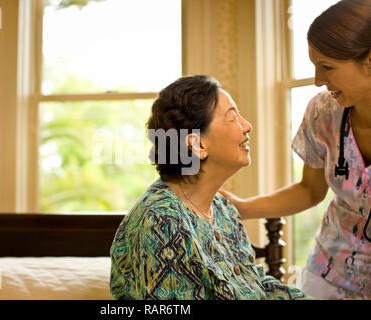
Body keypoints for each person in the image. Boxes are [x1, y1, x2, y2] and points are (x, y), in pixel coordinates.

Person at [109, 75, 311, 300]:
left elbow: (257, 286)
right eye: (233, 117)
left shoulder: (223, 209)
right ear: (197, 144)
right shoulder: (161, 221)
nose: (247, 126)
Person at [219, 0, 370, 300]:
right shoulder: (323, 112)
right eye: (315, 66)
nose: (317, 81)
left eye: (328, 67)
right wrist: (244, 208)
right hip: (330, 269)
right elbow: (309, 190)